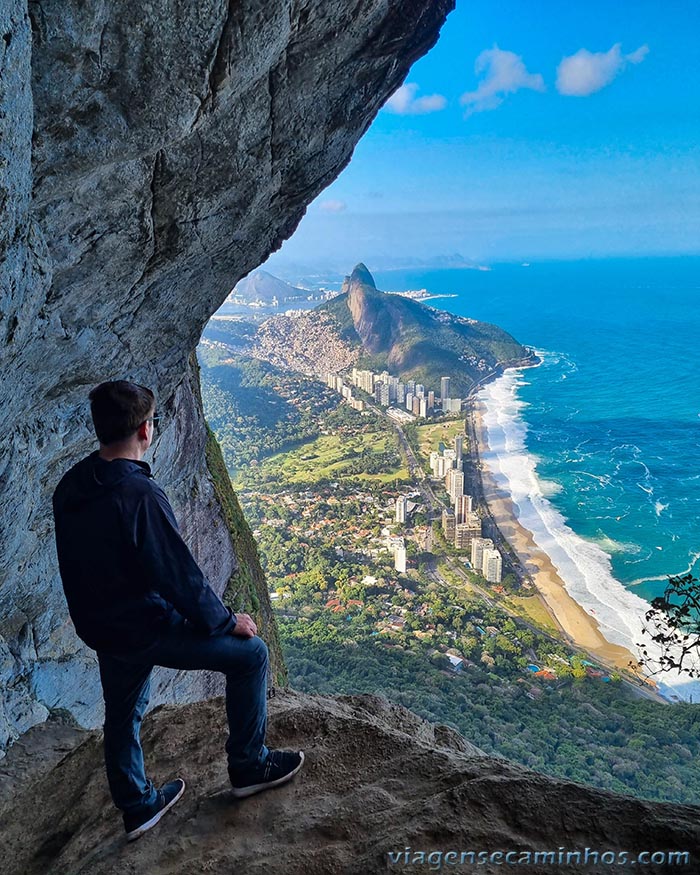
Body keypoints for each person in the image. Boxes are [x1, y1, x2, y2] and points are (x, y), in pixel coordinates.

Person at [51, 379, 304, 842]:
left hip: (103, 626)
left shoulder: (72, 485)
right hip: (144, 625)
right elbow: (179, 576)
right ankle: (250, 766)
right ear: (145, 431)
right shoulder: (138, 496)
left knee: (122, 714)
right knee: (252, 657)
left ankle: (138, 807)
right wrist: (229, 622)